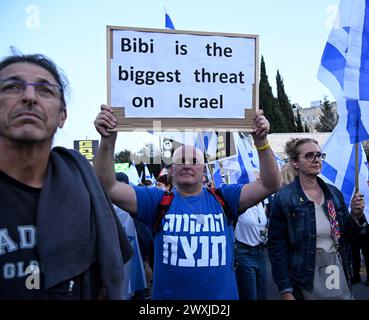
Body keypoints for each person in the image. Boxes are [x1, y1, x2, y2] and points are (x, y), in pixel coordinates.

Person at [94, 105, 281, 300]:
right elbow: (107, 187)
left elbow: (270, 184)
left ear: (203, 170)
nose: (187, 164)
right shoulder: (156, 201)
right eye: (180, 161)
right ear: (171, 171)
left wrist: (261, 142)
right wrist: (108, 140)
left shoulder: (225, 197)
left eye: (194, 161)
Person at [0, 53, 132, 299]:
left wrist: (107, 141)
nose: (29, 97)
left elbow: (104, 283)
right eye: (12, 87)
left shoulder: (83, 185)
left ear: (62, 116)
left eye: (45, 91)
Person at [268, 137, 365, 300]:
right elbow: (277, 247)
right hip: (305, 277)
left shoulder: (333, 194)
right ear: (295, 162)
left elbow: (347, 236)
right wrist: (285, 289)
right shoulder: (284, 198)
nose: (316, 159)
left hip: (337, 271)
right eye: (309, 155)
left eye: (319, 155)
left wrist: (355, 215)